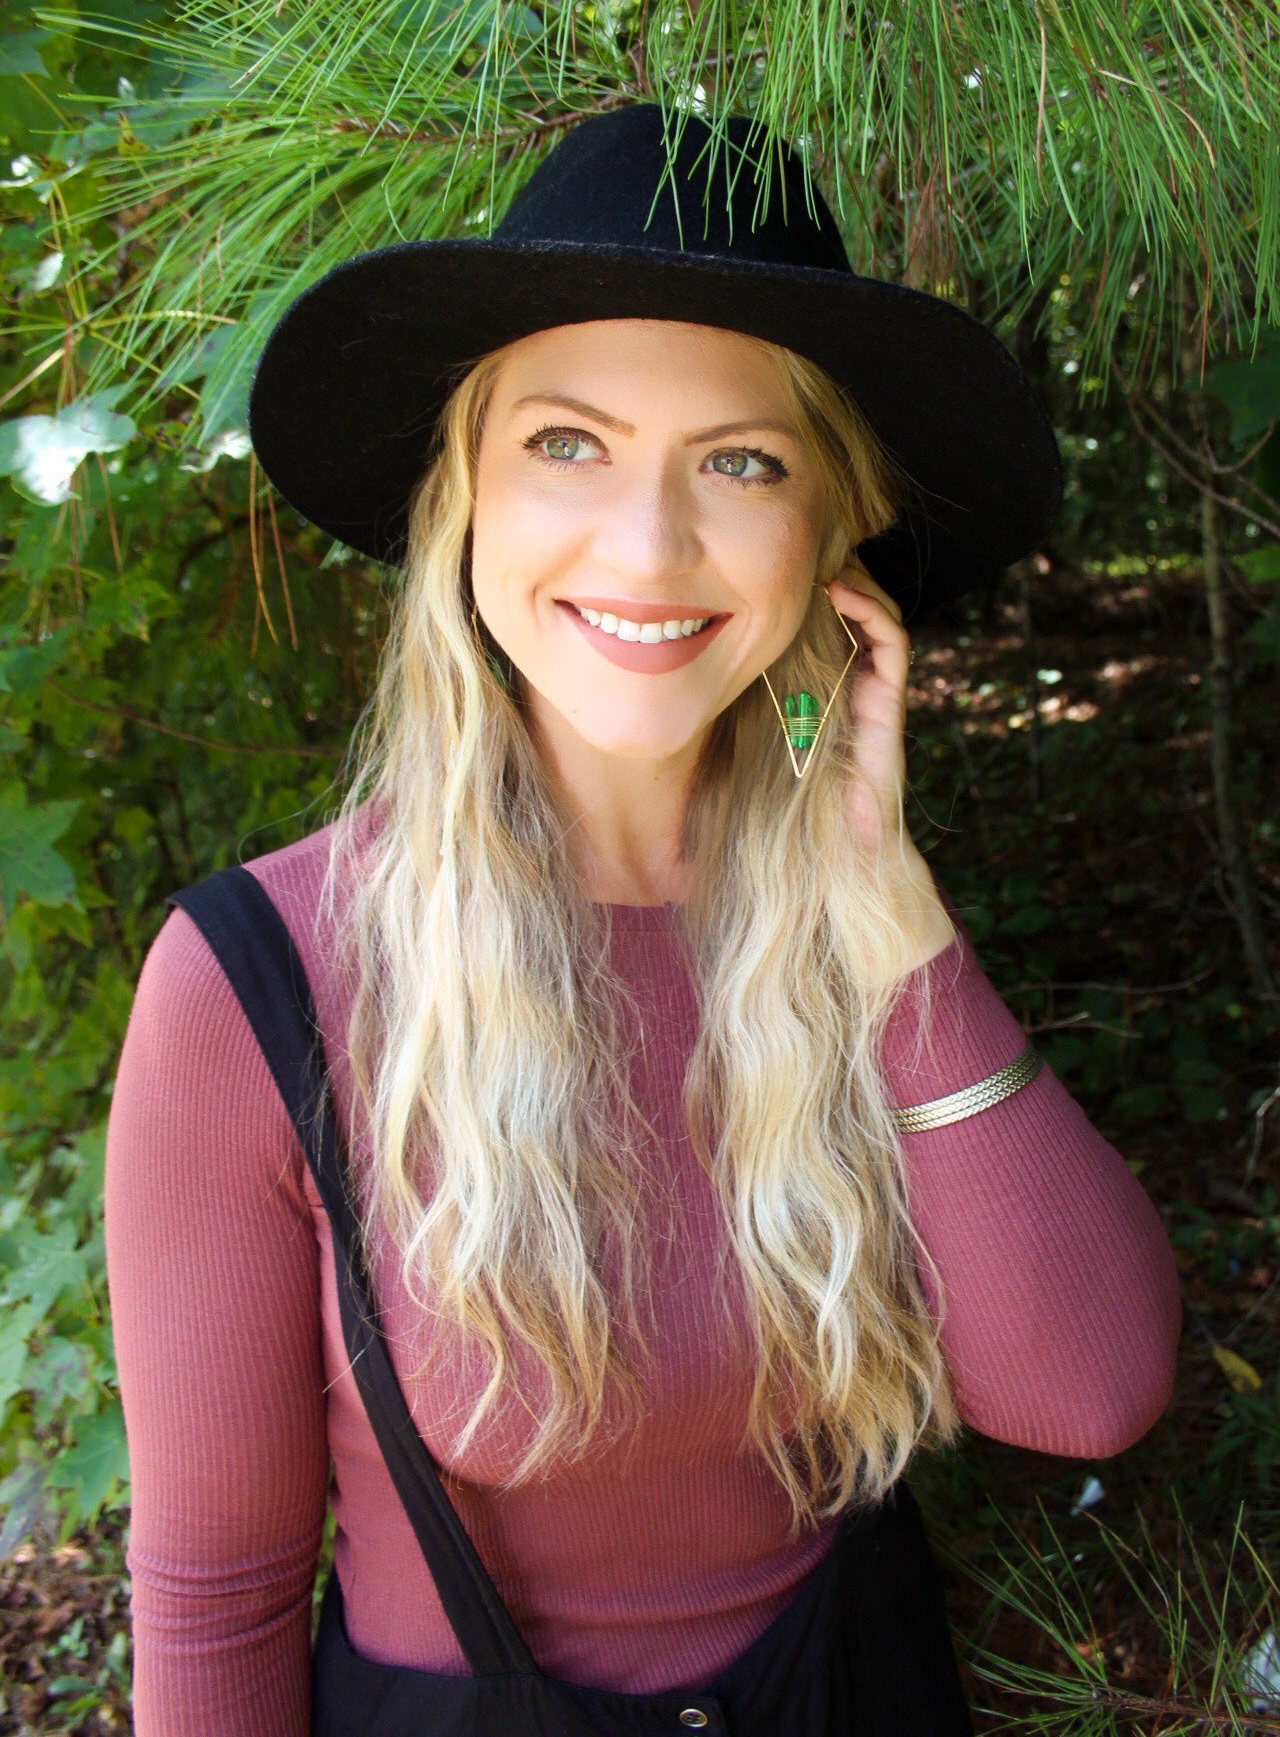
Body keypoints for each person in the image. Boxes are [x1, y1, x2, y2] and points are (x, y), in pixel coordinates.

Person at [105, 104, 1182, 1735]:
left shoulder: (852, 939)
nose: (649, 544)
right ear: (463, 493)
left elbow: (1089, 1390)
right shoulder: (264, 982)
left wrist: (889, 912)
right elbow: (217, 1598)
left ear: (832, 532)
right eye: (566, 444)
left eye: (741, 463)